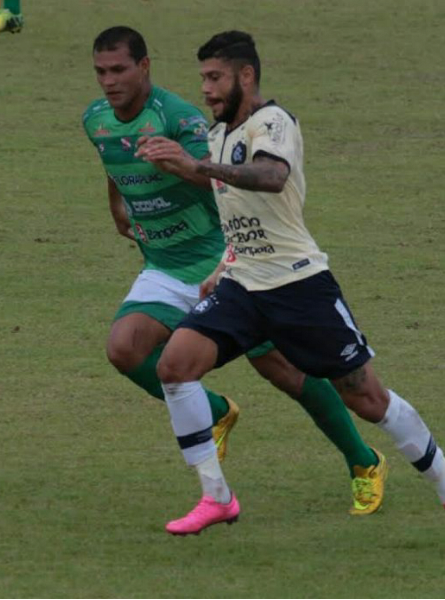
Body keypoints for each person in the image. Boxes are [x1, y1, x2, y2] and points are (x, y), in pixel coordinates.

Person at [136, 31, 445, 554]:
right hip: (243, 287)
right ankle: (218, 496)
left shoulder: (273, 123)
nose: (205, 89)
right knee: (174, 367)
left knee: (367, 399)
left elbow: (271, 179)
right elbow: (240, 213)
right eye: (203, 77)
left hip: (300, 288)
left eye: (214, 78)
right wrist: (221, 265)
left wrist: (196, 168)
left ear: (245, 76)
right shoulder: (217, 135)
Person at [83, 26, 387, 514]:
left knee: (286, 373)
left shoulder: (181, 119)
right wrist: (117, 204)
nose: (108, 82)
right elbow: (112, 160)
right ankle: (216, 411)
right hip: (163, 264)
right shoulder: (96, 119)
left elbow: (225, 187)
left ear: (144, 67)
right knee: (125, 348)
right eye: (100, 71)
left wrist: (180, 165)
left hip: (221, 262)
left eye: (118, 70)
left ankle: (363, 461)